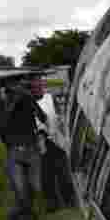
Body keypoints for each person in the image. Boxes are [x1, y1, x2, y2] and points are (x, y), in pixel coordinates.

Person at [0, 79, 48, 220]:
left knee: (34, 187)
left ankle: (16, 215)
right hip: (15, 151)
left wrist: (40, 135)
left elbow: (42, 117)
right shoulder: (5, 105)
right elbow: (2, 128)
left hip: (30, 149)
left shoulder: (27, 99)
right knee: (21, 189)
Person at [36, 83, 76, 212]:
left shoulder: (49, 98)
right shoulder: (28, 101)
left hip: (56, 139)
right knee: (46, 175)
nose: (38, 87)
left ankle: (69, 201)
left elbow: (61, 115)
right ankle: (52, 205)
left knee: (63, 171)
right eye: (35, 85)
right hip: (40, 142)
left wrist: (62, 130)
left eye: (40, 84)